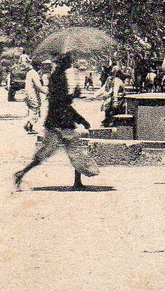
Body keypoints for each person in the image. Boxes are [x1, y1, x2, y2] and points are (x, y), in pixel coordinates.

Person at [13, 53, 100, 191]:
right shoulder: (59, 78)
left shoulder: (57, 76)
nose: (70, 64)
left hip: (55, 122)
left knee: (55, 152)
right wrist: (79, 115)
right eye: (68, 61)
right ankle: (77, 182)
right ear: (64, 63)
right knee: (74, 151)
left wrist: (71, 98)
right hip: (60, 122)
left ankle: (21, 173)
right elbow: (61, 102)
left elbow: (59, 99)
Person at [22, 56, 45, 134]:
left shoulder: (30, 72)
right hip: (32, 95)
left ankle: (27, 125)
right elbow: (38, 86)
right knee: (34, 111)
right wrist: (46, 92)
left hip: (28, 94)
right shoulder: (34, 73)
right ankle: (29, 127)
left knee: (31, 110)